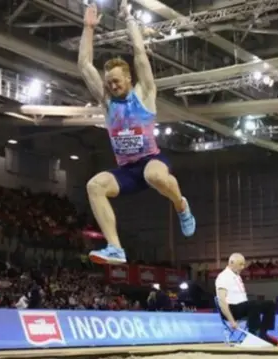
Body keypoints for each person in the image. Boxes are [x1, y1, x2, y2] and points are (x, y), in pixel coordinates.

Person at [77, 0, 195, 265]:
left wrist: (129, 19)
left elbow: (140, 54)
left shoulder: (144, 93)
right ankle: (115, 248)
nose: (112, 85)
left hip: (151, 160)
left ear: (129, 79)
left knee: (154, 175)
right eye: (109, 82)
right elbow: (85, 65)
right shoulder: (108, 103)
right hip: (127, 171)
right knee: (94, 186)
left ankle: (181, 205)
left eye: (117, 80)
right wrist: (88, 28)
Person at [215, 253, 277, 345]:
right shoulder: (223, 277)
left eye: (243, 264)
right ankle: (253, 335)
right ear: (231, 263)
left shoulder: (237, 276)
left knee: (270, 304)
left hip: (243, 307)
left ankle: (263, 333)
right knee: (252, 304)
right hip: (232, 309)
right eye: (240, 264)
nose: (243, 267)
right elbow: (222, 302)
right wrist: (232, 321)